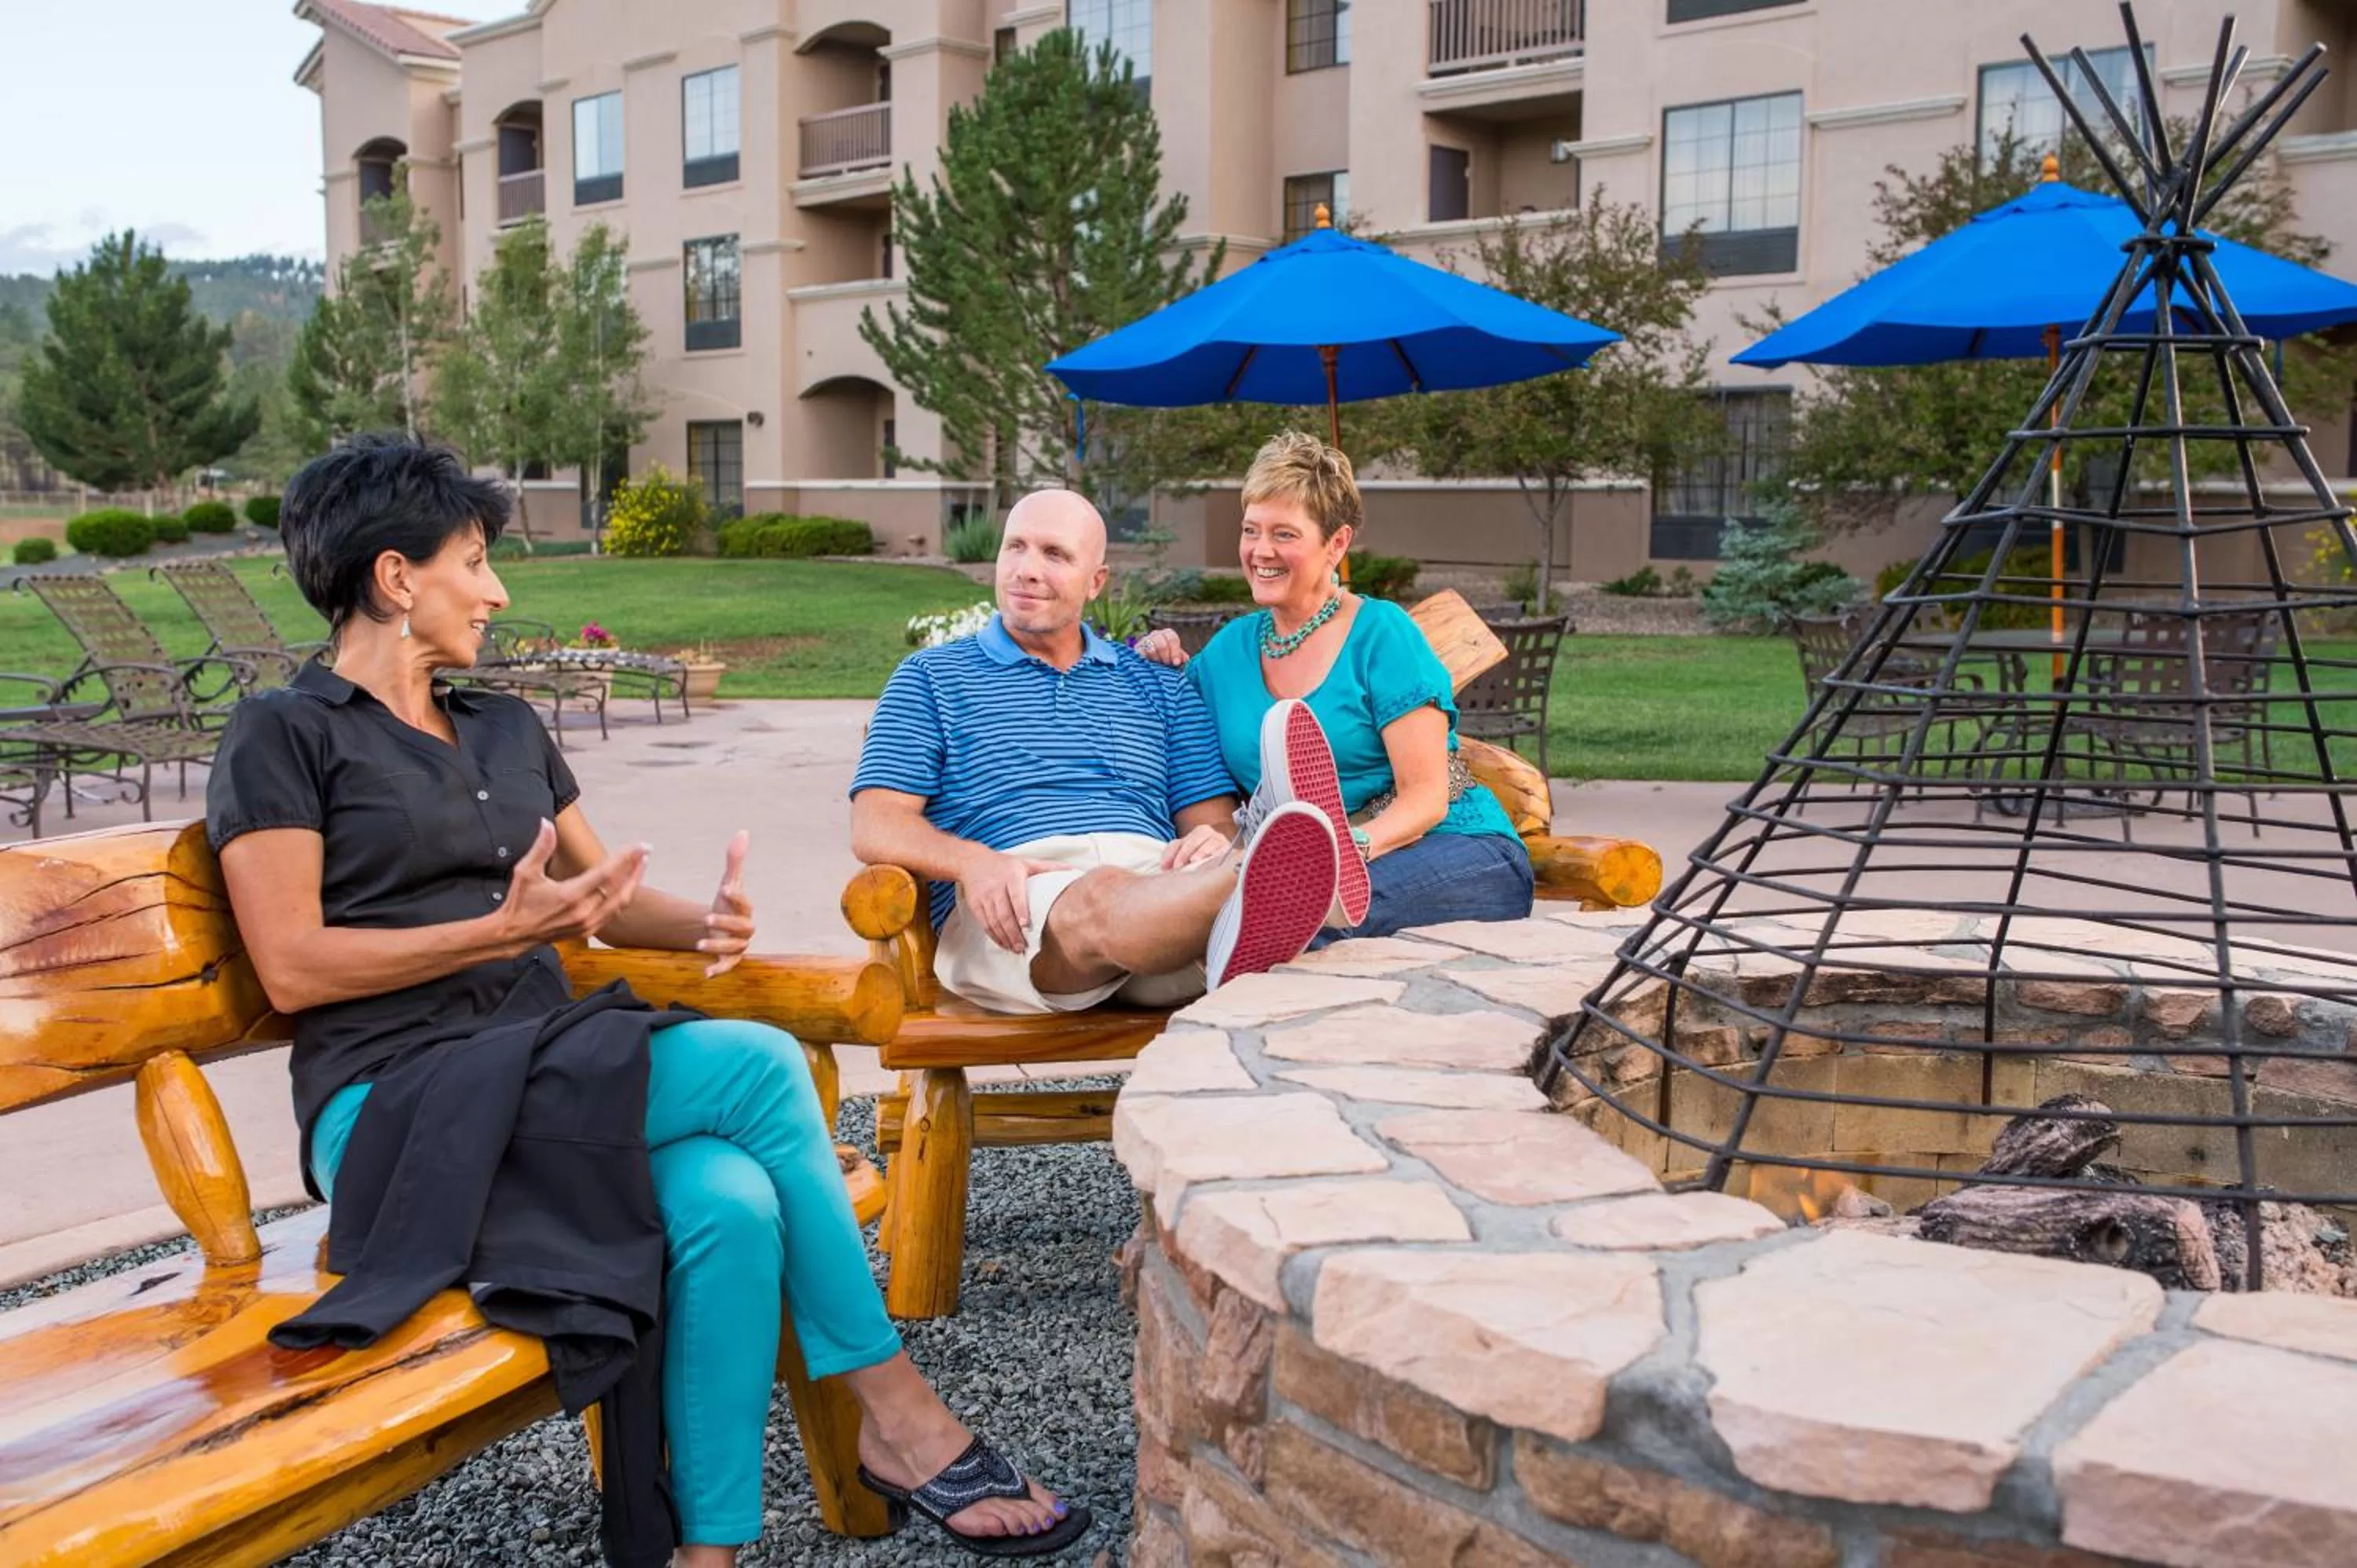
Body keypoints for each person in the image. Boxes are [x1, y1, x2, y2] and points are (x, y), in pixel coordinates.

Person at [205, 434, 1089, 1564]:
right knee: (763, 1067)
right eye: (474, 561)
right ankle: (904, 1419)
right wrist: (497, 930)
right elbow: (292, 967)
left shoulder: (502, 727)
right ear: (395, 577)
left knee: (727, 1200)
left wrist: (702, 920)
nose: (497, 589)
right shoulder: (285, 735)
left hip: (545, 1073)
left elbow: (598, 902)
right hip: (393, 1109)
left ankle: (704, 1552)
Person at [849, 487, 1347, 1012]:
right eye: (1015, 547)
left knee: (1185, 873)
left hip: (1161, 906)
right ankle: (1261, 872)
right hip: (1020, 901)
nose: (1026, 570)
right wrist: (975, 864)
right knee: (1101, 892)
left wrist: (1210, 841)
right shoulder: (930, 679)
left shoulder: (1160, 684)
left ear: (1097, 582)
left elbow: (1210, 823)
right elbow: (876, 825)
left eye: (1055, 555)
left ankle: (1244, 876)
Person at [1141, 431, 1534, 942]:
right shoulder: (1226, 654)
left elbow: (1427, 799)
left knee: (1310, 921)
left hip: (1456, 849)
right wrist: (1157, 655)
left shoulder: (1382, 634)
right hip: (1303, 874)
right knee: (1260, 912)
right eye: (1251, 530)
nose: (1261, 551)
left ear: (1337, 543)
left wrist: (1344, 851)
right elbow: (1175, 722)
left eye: (1284, 534)